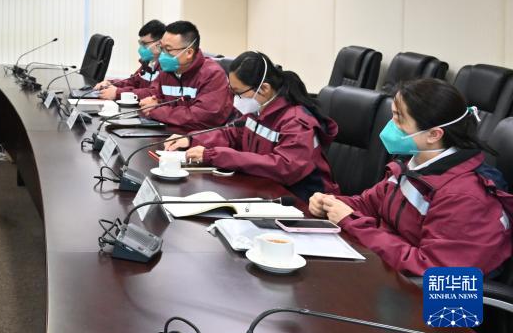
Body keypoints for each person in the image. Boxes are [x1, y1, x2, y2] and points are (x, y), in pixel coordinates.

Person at [309, 79, 513, 276]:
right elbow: (368, 204)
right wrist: (330, 203)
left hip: (433, 294)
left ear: (433, 135)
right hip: (393, 273)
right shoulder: (413, 164)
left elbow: (431, 270)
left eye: (399, 118)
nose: (391, 125)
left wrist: (352, 221)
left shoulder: (465, 196)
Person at [165, 51, 340, 199]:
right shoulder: (260, 109)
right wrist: (191, 140)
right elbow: (232, 134)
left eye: (239, 93)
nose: (236, 99)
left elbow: (284, 167)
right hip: (265, 190)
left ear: (264, 89)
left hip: (305, 201)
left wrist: (214, 156)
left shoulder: (297, 121)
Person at [134, 20, 233, 131]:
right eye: (161, 48)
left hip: (198, 138)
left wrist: (157, 110)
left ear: (189, 53)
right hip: (169, 132)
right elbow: (155, 96)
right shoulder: (167, 71)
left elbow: (202, 117)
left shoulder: (212, 74)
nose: (162, 54)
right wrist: (149, 103)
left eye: (168, 49)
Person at [93, 19, 163, 101]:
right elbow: (132, 82)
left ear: (159, 44)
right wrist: (110, 83)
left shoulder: (166, 67)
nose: (141, 48)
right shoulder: (148, 63)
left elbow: (154, 93)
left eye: (144, 44)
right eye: (140, 43)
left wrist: (118, 93)